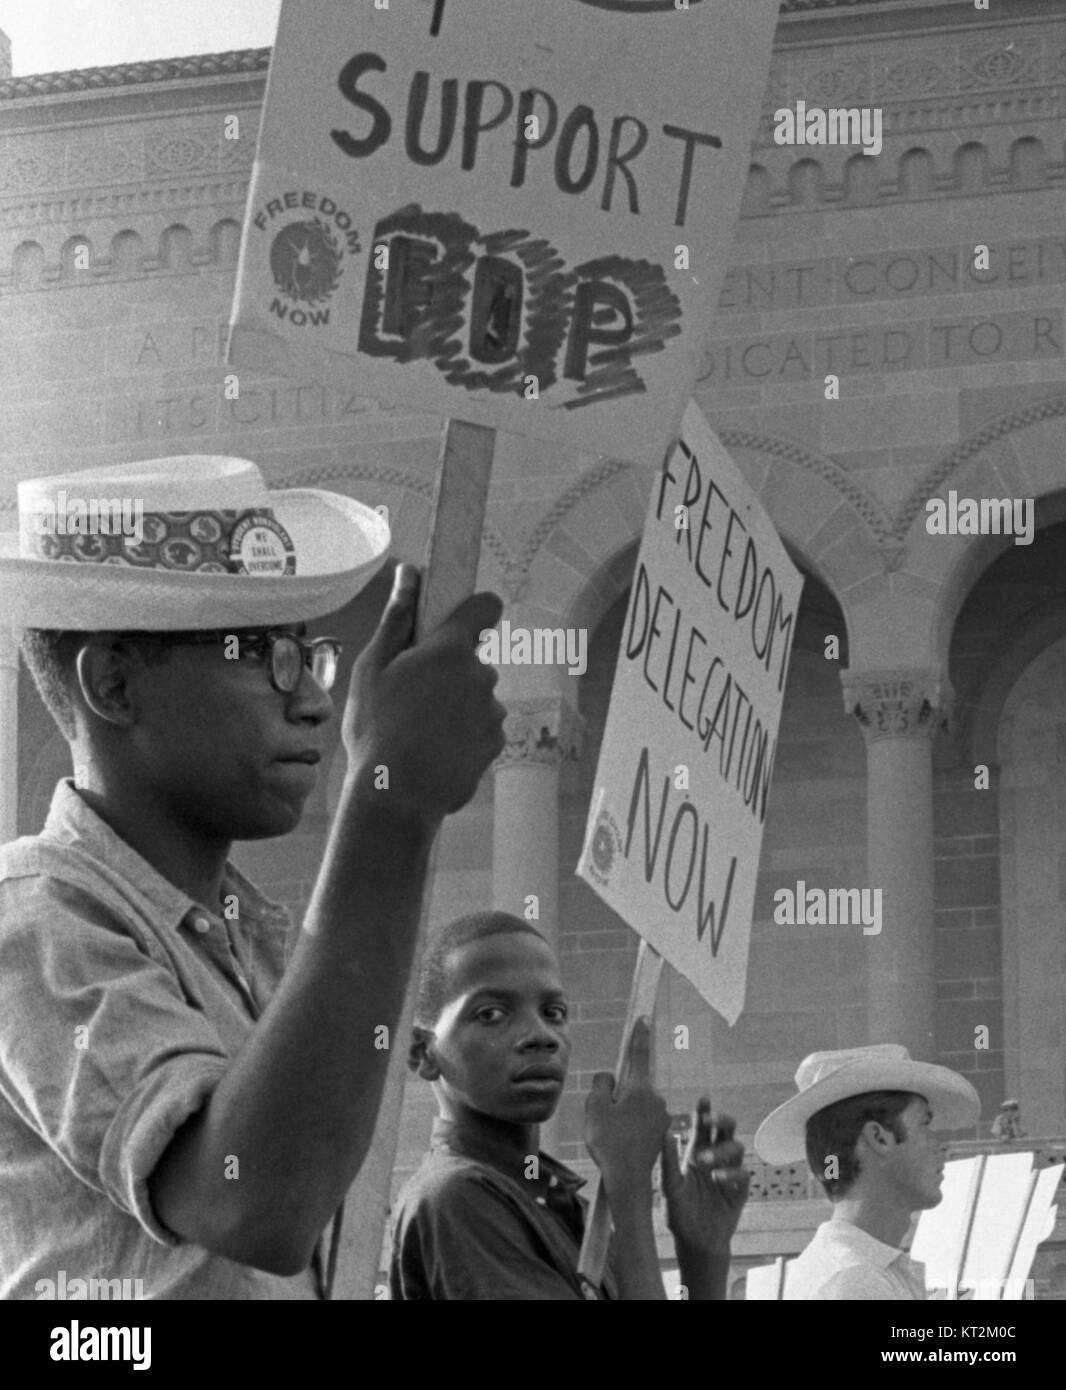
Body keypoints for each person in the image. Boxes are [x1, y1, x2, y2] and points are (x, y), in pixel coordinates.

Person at [0, 456, 506, 1299]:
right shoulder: (33, 917)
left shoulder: (254, 934)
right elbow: (249, 1201)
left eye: (309, 656)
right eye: (265, 656)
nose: (312, 699)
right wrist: (391, 803)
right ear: (115, 684)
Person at [389, 910, 750, 1300]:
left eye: (553, 1013)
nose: (540, 1035)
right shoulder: (455, 1199)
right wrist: (629, 1187)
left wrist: (703, 1257)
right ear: (421, 1052)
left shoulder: (560, 1205)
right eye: (491, 1014)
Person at [754, 1044, 980, 1300]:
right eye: (924, 1124)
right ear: (879, 1138)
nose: (941, 1145)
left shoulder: (854, 1269)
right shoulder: (855, 1281)